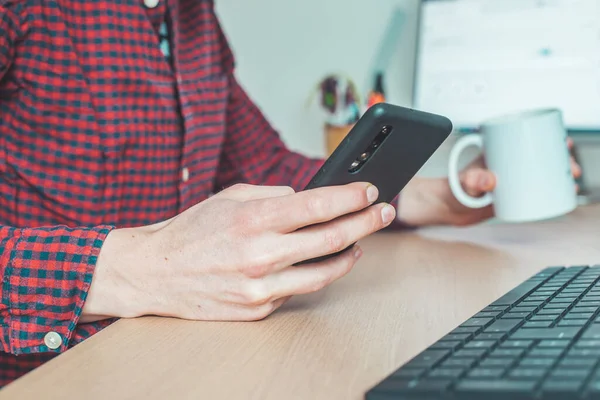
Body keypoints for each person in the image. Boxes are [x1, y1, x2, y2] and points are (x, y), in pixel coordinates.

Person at [0, 0, 581, 387]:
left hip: (172, 360)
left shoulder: (192, 16)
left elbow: (266, 165)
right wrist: (138, 268)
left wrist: (430, 197)